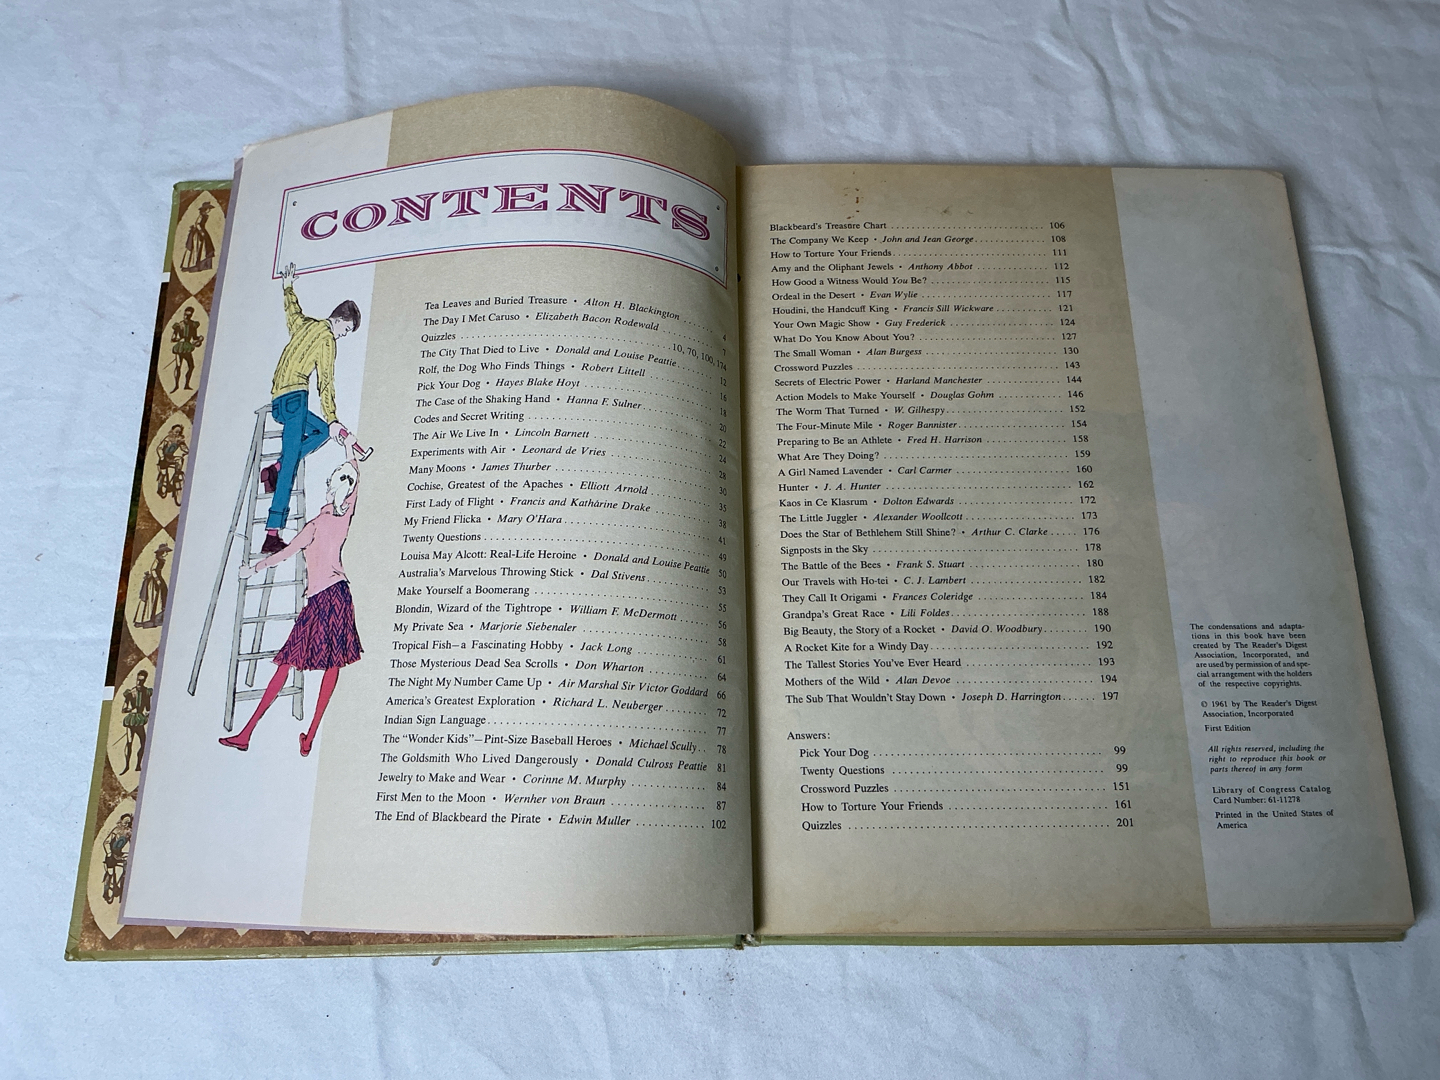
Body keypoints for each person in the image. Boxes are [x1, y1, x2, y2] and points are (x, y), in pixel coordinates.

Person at [221, 446, 363, 757]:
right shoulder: (344, 517)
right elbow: (355, 483)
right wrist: (350, 452)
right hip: (340, 596)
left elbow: (284, 553)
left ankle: (246, 733)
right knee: (332, 664)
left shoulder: (314, 525)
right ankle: (307, 737)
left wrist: (253, 568)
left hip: (322, 600)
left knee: (287, 662)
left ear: (330, 488)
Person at [260, 261, 361, 556]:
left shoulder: (305, 325)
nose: (343, 335)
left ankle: (275, 468)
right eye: (346, 329)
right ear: (339, 320)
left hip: (279, 402)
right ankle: (272, 533)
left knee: (322, 432)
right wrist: (333, 418)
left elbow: (292, 311)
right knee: (292, 463)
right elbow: (325, 382)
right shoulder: (327, 339)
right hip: (296, 398)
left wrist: (288, 286)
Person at [119, 669, 152, 775]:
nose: (139, 682)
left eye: (142, 681)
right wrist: (130, 709)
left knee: (143, 742)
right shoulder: (130, 693)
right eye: (138, 680)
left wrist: (147, 713)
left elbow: (148, 708)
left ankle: (138, 765)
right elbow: (123, 709)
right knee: (129, 743)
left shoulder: (146, 692)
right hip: (131, 720)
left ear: (144, 680)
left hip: (139, 720)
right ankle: (127, 765)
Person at [170, 305, 203, 391]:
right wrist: (179, 339)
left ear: (191, 315)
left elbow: (195, 337)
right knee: (178, 366)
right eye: (185, 315)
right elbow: (173, 338)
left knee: (191, 366)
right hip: (180, 347)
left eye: (188, 315)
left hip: (187, 347)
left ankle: (186, 385)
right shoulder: (178, 325)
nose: (186, 317)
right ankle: (176, 386)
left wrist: (199, 339)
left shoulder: (193, 325)